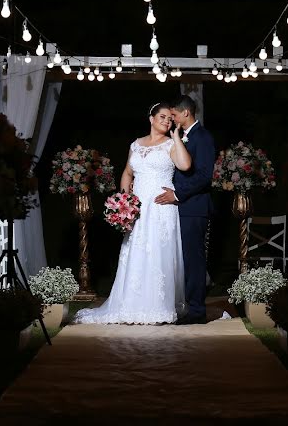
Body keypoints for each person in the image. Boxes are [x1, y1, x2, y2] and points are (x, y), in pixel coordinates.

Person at [72, 102, 191, 324]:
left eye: (169, 118)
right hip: (137, 209)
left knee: (157, 254)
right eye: (162, 117)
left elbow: (184, 165)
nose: (167, 121)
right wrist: (124, 200)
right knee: (136, 254)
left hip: (160, 208)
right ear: (151, 118)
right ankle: (131, 304)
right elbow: (127, 173)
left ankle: (158, 307)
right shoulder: (136, 145)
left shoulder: (170, 144)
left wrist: (176, 136)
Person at [156, 95, 215, 325]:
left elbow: (204, 176)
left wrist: (177, 194)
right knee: (181, 260)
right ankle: (184, 305)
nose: (172, 120)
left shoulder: (203, 137)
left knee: (194, 260)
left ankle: (198, 311)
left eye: (174, 116)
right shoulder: (181, 137)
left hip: (194, 208)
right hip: (179, 208)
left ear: (185, 114)